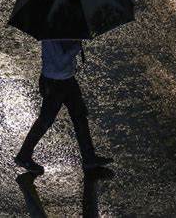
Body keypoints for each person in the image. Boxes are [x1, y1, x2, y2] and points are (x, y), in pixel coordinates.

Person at [14, 40, 113, 174]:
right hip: (54, 84)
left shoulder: (62, 28)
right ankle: (24, 155)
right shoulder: (51, 35)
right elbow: (61, 60)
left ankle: (89, 158)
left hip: (67, 80)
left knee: (80, 117)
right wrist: (77, 46)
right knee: (45, 121)